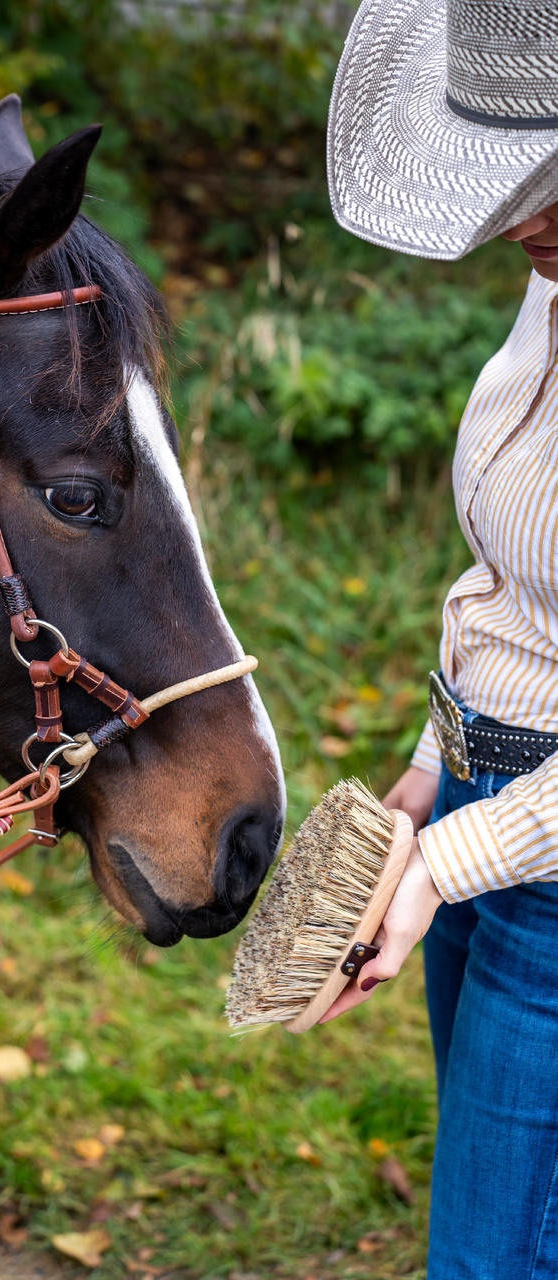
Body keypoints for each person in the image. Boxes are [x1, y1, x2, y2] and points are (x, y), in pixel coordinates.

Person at [317, 2, 558, 1276]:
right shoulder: (551, 289)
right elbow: (509, 583)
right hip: (481, 793)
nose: (520, 221)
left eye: (547, 187)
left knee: (490, 1253)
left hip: (545, 860)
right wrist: (435, 752)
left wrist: (445, 862)